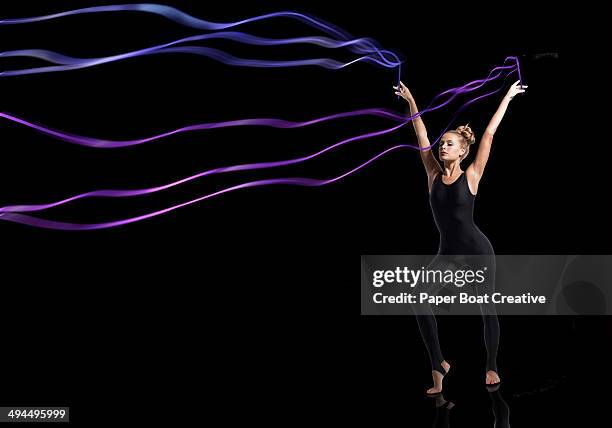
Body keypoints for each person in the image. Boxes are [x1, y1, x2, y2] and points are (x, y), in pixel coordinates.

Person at [393, 79, 527, 394]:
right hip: (448, 253)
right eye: (442, 144)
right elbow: (421, 134)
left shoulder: (473, 175)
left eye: (450, 144)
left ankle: (492, 365)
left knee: (486, 307)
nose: (442, 146)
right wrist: (411, 101)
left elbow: (490, 134)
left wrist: (507, 97)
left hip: (478, 251)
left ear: (463, 151)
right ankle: (439, 364)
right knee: (418, 299)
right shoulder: (432, 174)